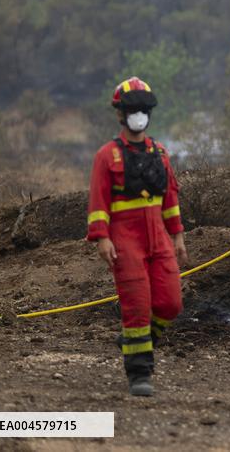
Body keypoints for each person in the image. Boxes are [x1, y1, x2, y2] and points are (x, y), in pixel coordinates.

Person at [86, 76, 187, 397]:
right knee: (138, 305)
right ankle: (140, 372)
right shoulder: (107, 156)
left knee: (170, 303)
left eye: (143, 109)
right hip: (125, 238)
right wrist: (102, 237)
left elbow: (169, 198)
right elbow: (98, 202)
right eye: (132, 109)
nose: (138, 114)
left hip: (158, 235)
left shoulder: (160, 153)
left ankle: (134, 341)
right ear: (120, 114)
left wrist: (178, 235)